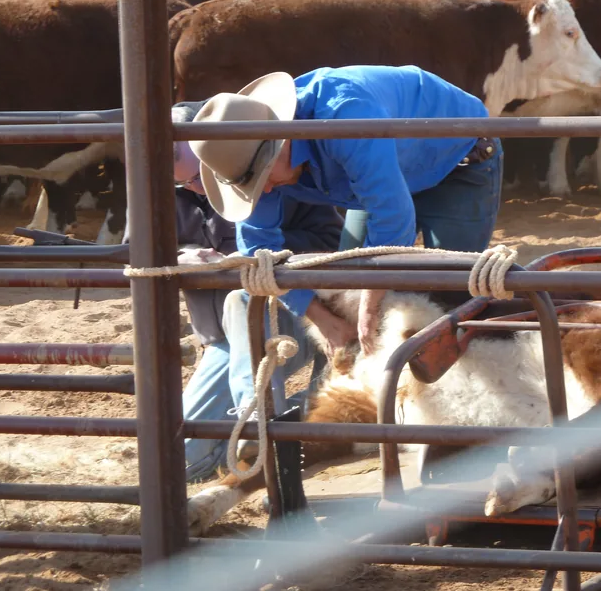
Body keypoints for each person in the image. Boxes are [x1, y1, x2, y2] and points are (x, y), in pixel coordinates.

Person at [184, 64, 503, 459]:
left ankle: (455, 424)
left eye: (262, 176)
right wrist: (324, 319)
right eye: (252, 183)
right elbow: (258, 250)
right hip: (372, 179)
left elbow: (392, 217)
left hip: (456, 157)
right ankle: (350, 403)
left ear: (281, 146)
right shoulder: (256, 152)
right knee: (346, 293)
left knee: (448, 291)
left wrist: (370, 301)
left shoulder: (344, 116)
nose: (263, 189)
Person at [123, 101, 344, 482]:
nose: (196, 189)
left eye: (201, 176)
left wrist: (241, 258)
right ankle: (278, 424)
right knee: (179, 461)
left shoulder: (273, 177)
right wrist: (181, 259)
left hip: (293, 321)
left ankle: (263, 422)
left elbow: (332, 242)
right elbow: (131, 255)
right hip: (222, 341)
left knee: (239, 302)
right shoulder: (157, 190)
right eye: (184, 184)